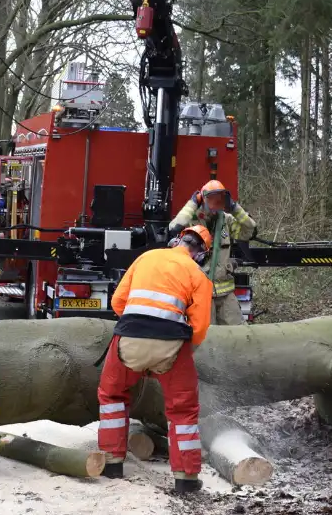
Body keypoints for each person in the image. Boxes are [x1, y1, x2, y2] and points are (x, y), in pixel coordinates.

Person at [96, 225, 214, 494]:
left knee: (112, 395)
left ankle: (112, 462)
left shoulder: (145, 258)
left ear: (176, 241)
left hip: (129, 338)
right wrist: (177, 354)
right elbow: (199, 327)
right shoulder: (198, 275)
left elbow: (118, 302)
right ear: (200, 254)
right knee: (183, 410)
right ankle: (186, 478)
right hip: (171, 343)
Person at [168, 179, 257, 326]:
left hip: (225, 294)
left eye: (220, 199)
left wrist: (235, 208)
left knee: (238, 335)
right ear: (203, 199)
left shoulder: (226, 221)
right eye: (211, 199)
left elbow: (250, 230)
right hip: (200, 294)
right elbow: (174, 228)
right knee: (206, 338)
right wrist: (192, 203)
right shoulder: (191, 220)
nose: (215, 205)